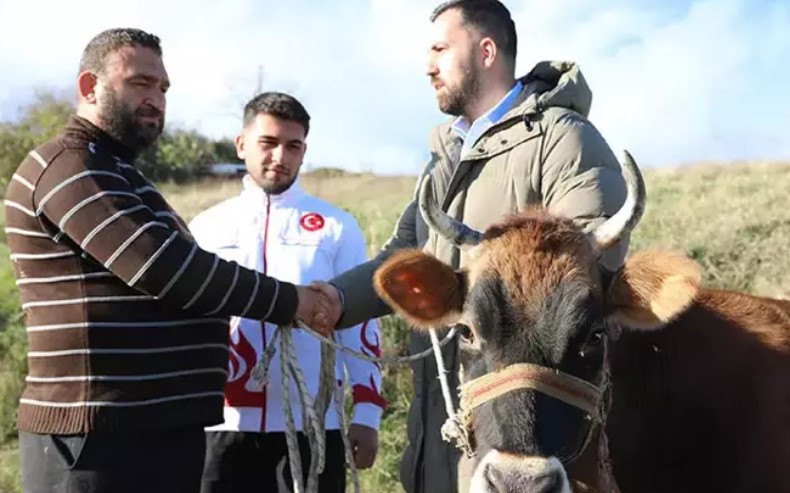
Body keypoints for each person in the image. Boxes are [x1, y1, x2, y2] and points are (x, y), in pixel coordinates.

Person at [314, 1, 631, 492]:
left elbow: (585, 274)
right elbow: (402, 254)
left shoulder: (561, 139)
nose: (428, 65)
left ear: (486, 51)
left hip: (528, 426)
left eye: (441, 48)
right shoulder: (446, 158)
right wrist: (332, 300)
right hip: (445, 403)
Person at [4, 28, 337, 493]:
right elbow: (167, 269)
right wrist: (291, 302)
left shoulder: (119, 174)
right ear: (88, 87)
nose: (156, 98)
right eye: (140, 82)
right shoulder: (69, 167)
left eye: (162, 88)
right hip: (96, 440)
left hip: (148, 434)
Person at [190, 92, 386, 492]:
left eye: (292, 146)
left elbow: (360, 324)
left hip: (314, 427)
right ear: (242, 144)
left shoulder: (337, 226)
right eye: (268, 143)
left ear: (304, 151)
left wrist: (367, 413)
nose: (280, 156)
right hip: (221, 427)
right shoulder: (206, 227)